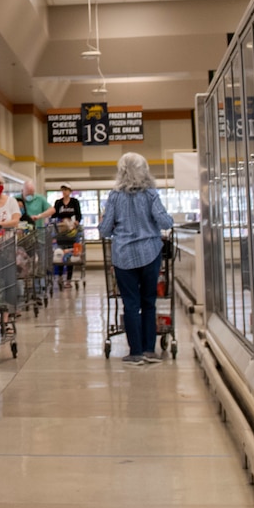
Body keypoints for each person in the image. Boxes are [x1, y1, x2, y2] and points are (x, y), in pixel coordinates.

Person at [99, 153, 174, 365]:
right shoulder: (151, 194)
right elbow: (165, 221)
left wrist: (110, 227)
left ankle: (135, 353)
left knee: (130, 304)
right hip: (150, 253)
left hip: (123, 256)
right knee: (149, 301)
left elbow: (105, 230)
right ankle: (150, 350)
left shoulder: (114, 196)